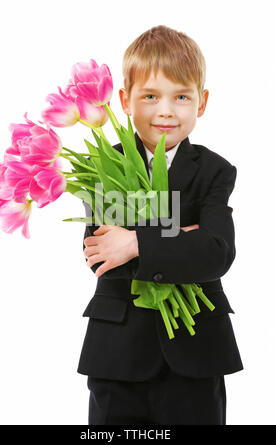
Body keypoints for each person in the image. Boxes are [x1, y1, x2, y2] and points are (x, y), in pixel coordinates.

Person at [78, 25, 244, 425]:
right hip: (117, 353)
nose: (166, 110)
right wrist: (182, 239)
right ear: (125, 101)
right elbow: (102, 255)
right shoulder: (104, 168)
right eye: (150, 96)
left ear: (201, 102)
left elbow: (216, 252)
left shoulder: (214, 171)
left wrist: (137, 241)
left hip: (197, 350)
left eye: (181, 97)